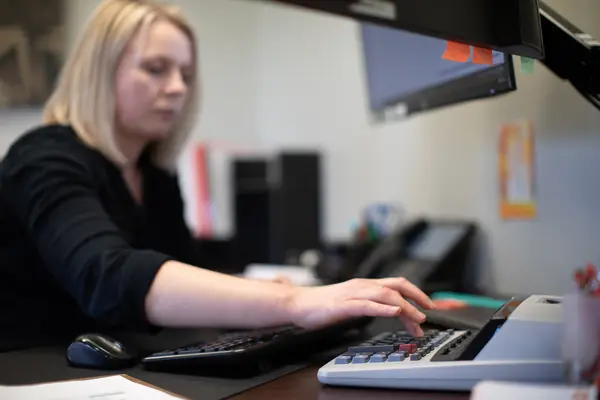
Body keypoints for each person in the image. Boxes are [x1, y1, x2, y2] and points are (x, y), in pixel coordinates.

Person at [0, 0, 434, 351]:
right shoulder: (43, 159)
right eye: (156, 69)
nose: (177, 88)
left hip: (117, 362)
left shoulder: (153, 175)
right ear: (99, 71)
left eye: (185, 74)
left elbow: (180, 276)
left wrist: (254, 291)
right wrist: (295, 302)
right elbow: (109, 277)